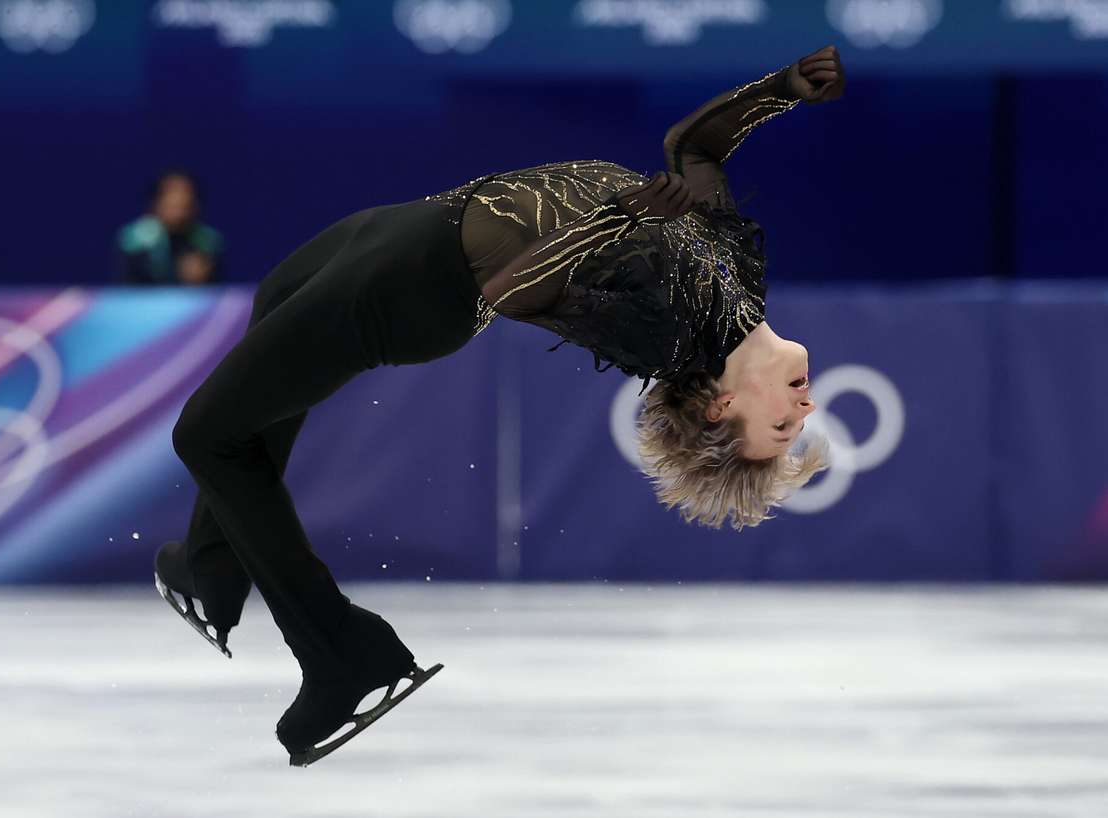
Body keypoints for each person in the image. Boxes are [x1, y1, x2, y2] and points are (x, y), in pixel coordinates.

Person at [155, 46, 845, 766]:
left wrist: (617, 219)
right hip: (424, 223)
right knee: (277, 298)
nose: (805, 410)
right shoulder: (742, 281)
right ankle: (213, 571)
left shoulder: (666, 338)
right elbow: (693, 148)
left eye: (781, 428)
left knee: (208, 436)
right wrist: (784, 88)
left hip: (415, 290)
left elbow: (511, 294)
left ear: (720, 407)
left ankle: (342, 655)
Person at [115, 169, 224, 285]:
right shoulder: (134, 243)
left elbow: (220, 288)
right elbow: (126, 288)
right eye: (172, 203)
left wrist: (202, 279)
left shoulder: (209, 243)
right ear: (156, 204)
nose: (179, 210)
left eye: (185, 204)